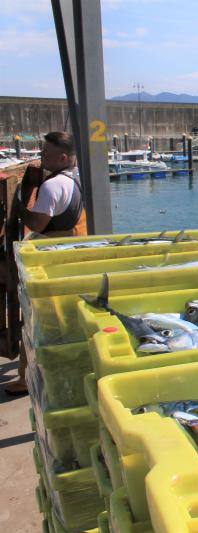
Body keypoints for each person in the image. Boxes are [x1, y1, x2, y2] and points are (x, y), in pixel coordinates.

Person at [3, 131, 87, 396]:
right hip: (72, 255)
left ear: (62, 157)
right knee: (64, 318)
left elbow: (37, 223)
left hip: (50, 259)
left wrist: (19, 209)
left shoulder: (52, 186)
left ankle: (26, 378)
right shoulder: (76, 178)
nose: (41, 158)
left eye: (46, 154)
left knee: (36, 320)